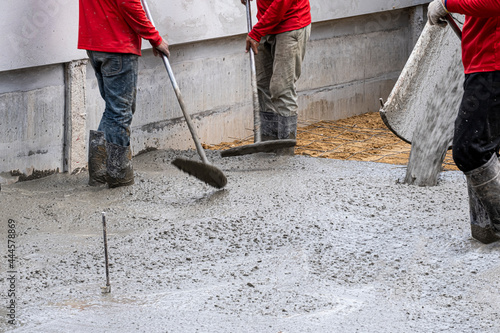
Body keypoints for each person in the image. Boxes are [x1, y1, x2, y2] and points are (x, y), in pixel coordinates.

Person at [428, 0, 500, 243]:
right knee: (486, 148)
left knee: (468, 149)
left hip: (492, 64)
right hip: (483, 61)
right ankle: (485, 231)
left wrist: (449, 4)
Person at [78, 0, 169, 188]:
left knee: (113, 111)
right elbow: (129, 4)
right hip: (116, 45)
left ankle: (99, 173)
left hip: (96, 44)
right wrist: (155, 38)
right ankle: (118, 175)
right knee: (120, 112)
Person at [241, 0, 311, 154]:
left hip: (290, 24)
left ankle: (285, 154)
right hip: (267, 22)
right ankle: (268, 147)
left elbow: (281, 3)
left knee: (282, 89)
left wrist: (257, 32)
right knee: (262, 86)